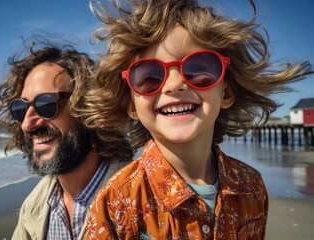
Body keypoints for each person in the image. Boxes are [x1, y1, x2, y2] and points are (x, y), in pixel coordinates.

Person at [76, 0, 314, 239]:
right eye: (149, 76)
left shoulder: (252, 186)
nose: (174, 84)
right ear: (131, 104)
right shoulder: (115, 202)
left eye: (198, 69)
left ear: (226, 92)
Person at [0, 42, 133, 240]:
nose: (27, 124)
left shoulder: (140, 202)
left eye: (45, 104)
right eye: (20, 109)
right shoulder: (35, 206)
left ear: (89, 108)